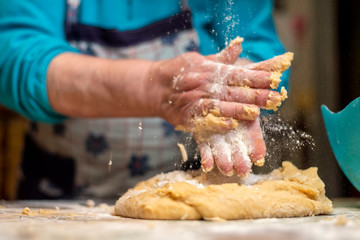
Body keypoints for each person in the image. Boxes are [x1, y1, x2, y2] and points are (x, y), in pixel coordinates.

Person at [0, 0, 290, 199]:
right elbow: (14, 56)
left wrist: (236, 84)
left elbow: (261, 51)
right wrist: (156, 88)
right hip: (59, 190)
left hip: (194, 186)